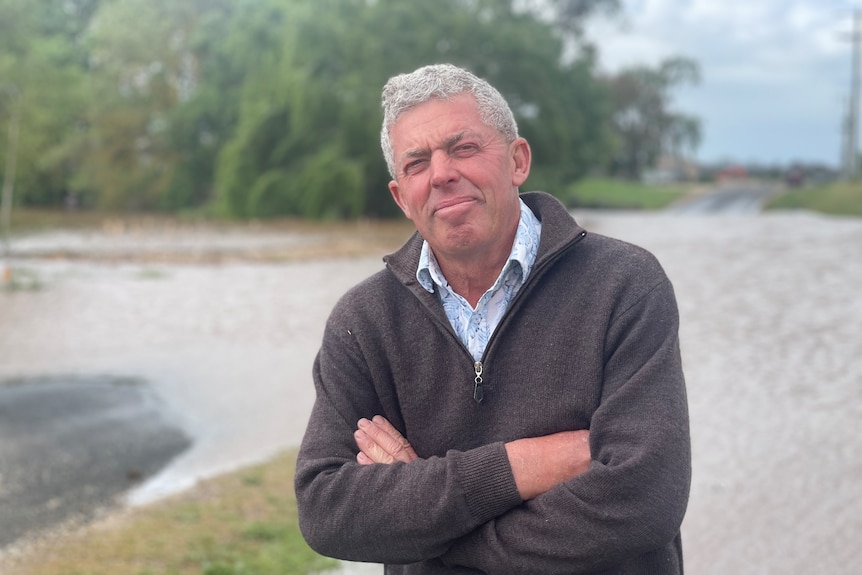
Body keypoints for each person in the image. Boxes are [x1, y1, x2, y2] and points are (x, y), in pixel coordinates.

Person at [294, 63, 691, 574]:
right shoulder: (364, 321)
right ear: (401, 198)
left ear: (517, 160)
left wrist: (435, 533)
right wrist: (528, 465)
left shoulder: (625, 284)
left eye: (464, 148)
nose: (441, 174)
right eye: (417, 163)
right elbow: (327, 509)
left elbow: (643, 500)